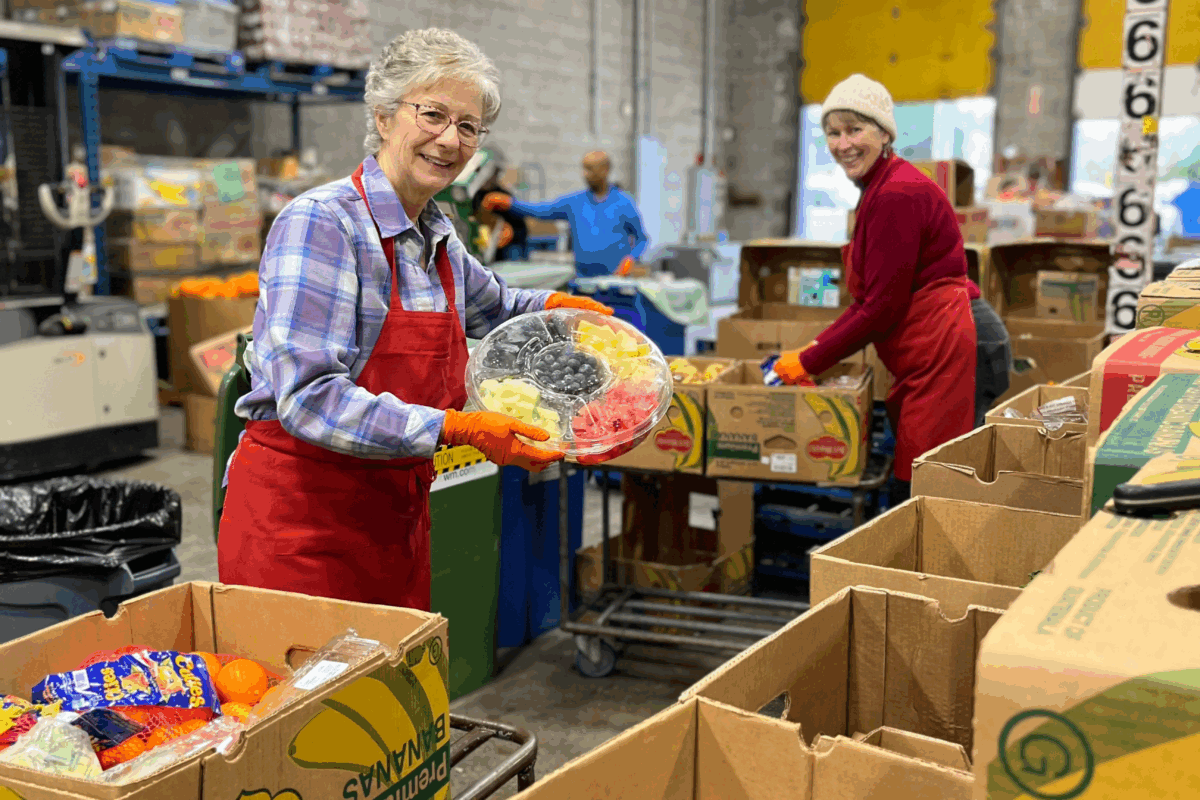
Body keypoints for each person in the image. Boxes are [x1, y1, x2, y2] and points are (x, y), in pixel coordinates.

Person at [217, 29, 613, 610]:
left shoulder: (435, 233)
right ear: (383, 116)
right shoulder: (324, 224)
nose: (450, 140)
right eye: (432, 114)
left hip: (393, 512)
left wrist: (559, 310)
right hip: (301, 521)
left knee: (386, 693)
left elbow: (497, 305)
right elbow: (306, 398)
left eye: (469, 127)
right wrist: (455, 429)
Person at [773, 74, 995, 506]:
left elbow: (881, 307)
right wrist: (815, 348)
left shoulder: (897, 193)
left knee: (925, 493)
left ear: (884, 133)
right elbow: (875, 298)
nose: (843, 144)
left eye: (855, 130)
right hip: (931, 345)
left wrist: (810, 358)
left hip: (948, 346)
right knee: (917, 482)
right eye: (833, 133)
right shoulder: (878, 189)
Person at [480, 150, 648, 277]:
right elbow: (542, 210)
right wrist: (510, 204)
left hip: (615, 281)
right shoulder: (575, 202)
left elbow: (641, 238)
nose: (585, 174)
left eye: (590, 169)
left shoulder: (624, 203)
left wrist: (631, 259)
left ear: (605, 170)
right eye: (584, 169)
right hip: (583, 279)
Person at [471, 158, 529, 261]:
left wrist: (510, 233)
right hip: (490, 243)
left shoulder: (502, 194)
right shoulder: (476, 196)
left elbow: (520, 223)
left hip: (512, 243)